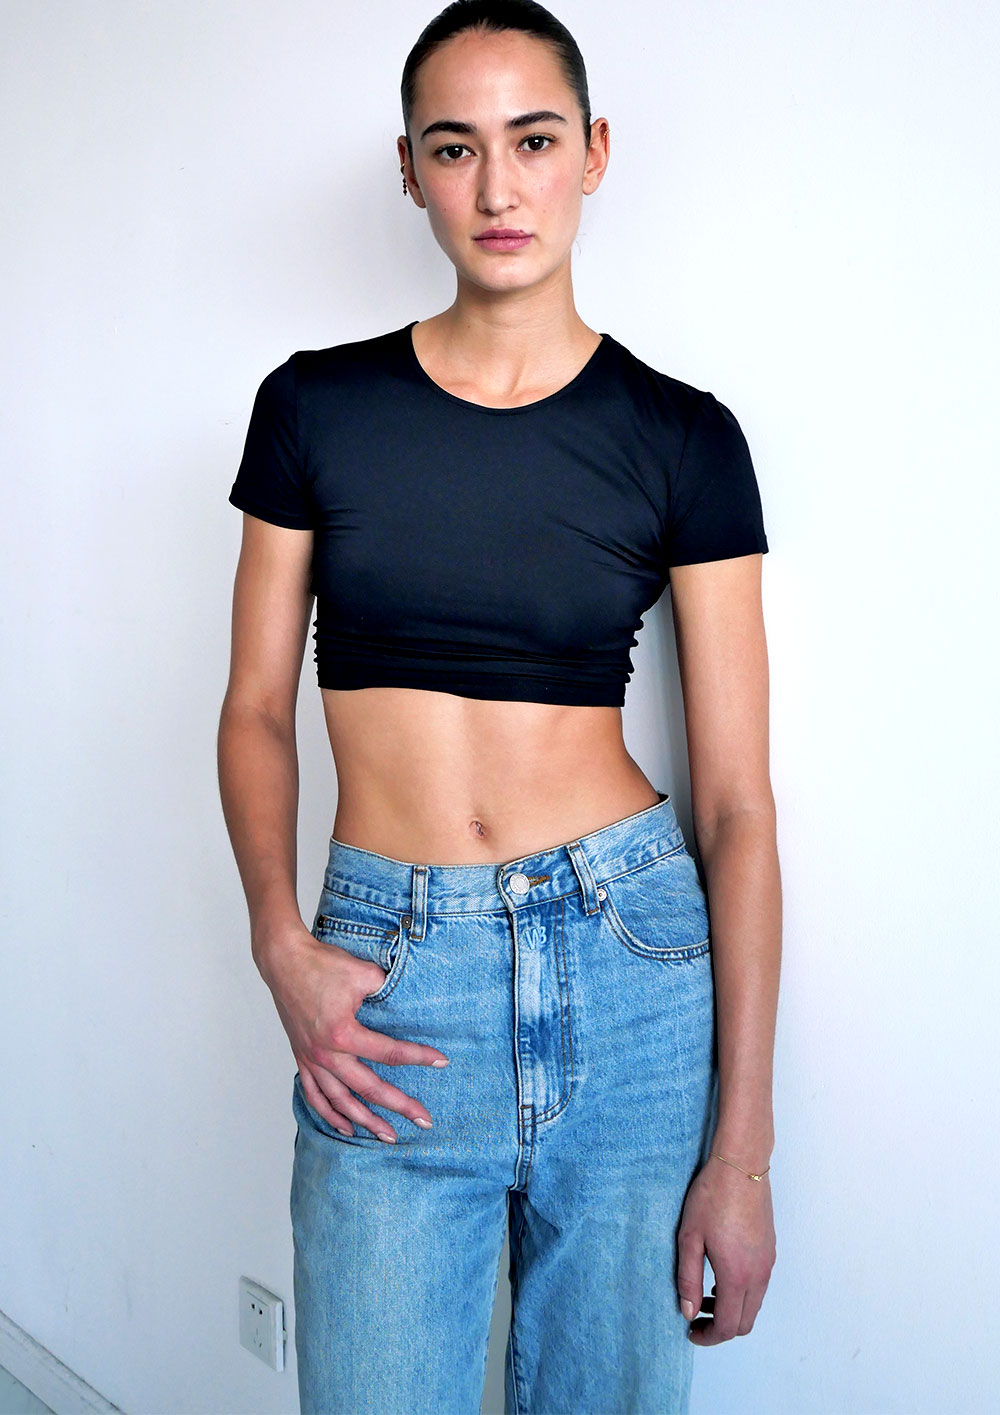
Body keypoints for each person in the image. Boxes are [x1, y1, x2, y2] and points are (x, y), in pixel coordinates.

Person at [217, 2, 781, 1411]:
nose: (497, 188)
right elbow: (255, 710)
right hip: (391, 981)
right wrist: (279, 941)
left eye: (532, 141)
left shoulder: (685, 436)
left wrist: (742, 1157)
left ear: (593, 152)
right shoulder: (313, 407)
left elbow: (735, 807)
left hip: (630, 967)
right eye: (455, 148)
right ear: (411, 170)